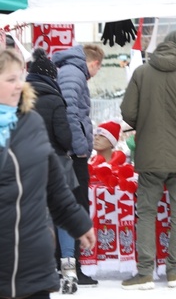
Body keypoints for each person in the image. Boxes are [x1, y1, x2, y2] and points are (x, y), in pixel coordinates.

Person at [0, 48, 96, 299]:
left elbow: (54, 185)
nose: (19, 85)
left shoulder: (31, 123)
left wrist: (79, 222)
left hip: (35, 263)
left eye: (20, 77)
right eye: (10, 80)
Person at [120, 30, 176, 290]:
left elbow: (127, 111)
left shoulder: (142, 73)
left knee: (146, 212)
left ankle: (145, 272)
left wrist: (144, 125)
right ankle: (174, 272)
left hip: (150, 155)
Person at [26, 48, 81, 291]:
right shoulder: (56, 99)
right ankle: (68, 268)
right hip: (57, 163)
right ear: (51, 76)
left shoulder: (19, 99)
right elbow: (65, 138)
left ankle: (43, 266)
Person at [52, 43, 104, 286]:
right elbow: (71, 113)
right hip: (73, 155)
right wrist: (80, 149)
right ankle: (73, 267)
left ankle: (66, 265)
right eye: (99, 68)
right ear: (94, 63)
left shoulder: (69, 71)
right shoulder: (74, 74)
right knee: (76, 206)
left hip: (69, 153)